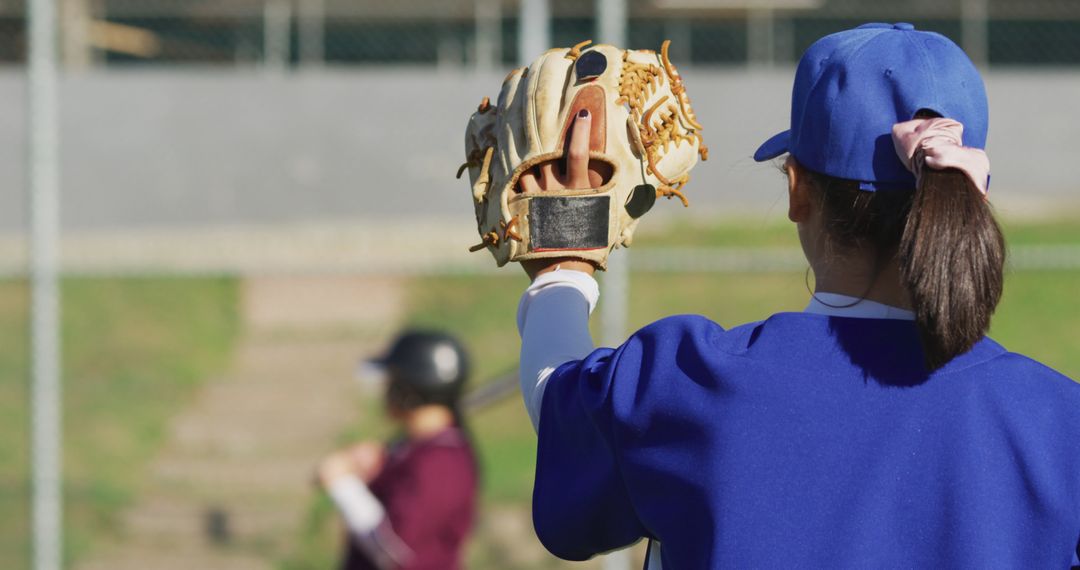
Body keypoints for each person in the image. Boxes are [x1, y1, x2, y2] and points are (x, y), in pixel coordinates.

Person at [515, 23, 1080, 568]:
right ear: (970, 196)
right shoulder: (1061, 423)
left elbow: (555, 393)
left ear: (797, 190)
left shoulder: (692, 385)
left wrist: (562, 263)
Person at [317, 330, 478, 570]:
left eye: (392, 380)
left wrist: (342, 484)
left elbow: (394, 548)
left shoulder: (441, 463)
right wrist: (381, 468)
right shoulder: (417, 450)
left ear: (408, 389)